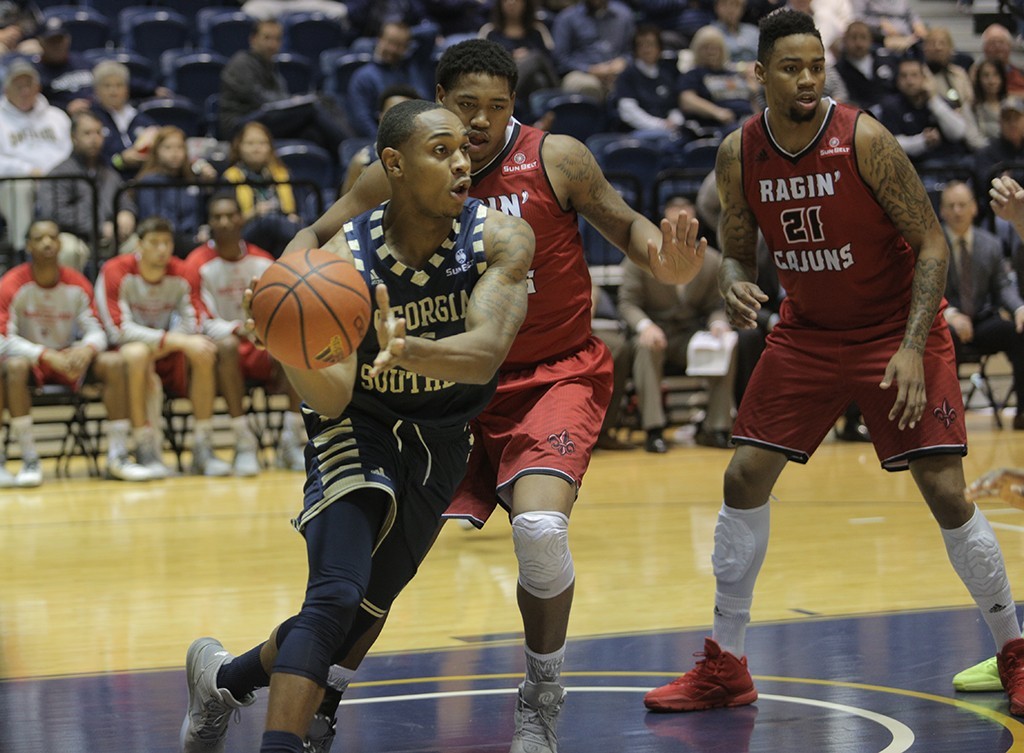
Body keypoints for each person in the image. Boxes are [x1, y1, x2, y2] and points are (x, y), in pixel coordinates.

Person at [280, 38, 706, 753]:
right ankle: (315, 694)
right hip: (437, 387)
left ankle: (541, 697)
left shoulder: (556, 158)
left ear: (517, 108)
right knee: (382, 568)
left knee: (540, 532)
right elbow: (313, 239)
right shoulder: (403, 166)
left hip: (549, 375)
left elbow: (626, 224)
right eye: (465, 106)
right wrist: (282, 291)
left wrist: (666, 259)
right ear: (438, 100)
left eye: (496, 108)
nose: (479, 122)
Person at [641, 9, 1024, 718]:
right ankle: (726, 662)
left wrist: (914, 345)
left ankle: (1015, 650)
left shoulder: (865, 139)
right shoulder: (739, 152)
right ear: (759, 74)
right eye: (792, 67)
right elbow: (738, 243)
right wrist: (733, 284)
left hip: (894, 331)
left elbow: (933, 245)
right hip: (810, 334)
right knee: (743, 473)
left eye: (816, 65)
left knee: (943, 486)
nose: (809, 78)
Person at [179, 99, 536, 753]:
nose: (462, 161)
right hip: (356, 426)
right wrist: (295, 348)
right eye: (442, 150)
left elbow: (487, 349)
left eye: (465, 149)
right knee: (336, 593)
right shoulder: (346, 256)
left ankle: (224, 681)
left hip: (443, 439)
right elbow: (335, 394)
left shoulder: (502, 237)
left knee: (364, 610)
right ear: (394, 165)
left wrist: (412, 350)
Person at [0, 219, 152, 485]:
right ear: (28, 246)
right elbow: (3, 338)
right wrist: (45, 355)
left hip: (70, 361)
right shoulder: (12, 283)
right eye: (39, 238)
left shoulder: (77, 282)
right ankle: (29, 459)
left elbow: (97, 329)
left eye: (52, 237)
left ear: (60, 244)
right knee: (12, 367)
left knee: (113, 362)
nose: (47, 242)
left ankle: (118, 456)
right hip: (31, 362)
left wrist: (87, 349)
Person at [95, 216, 230, 479]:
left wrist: (171, 341)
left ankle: (203, 447)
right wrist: (174, 340)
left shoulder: (183, 272)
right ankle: (144, 447)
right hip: (125, 351)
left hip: (166, 349)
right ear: (138, 245)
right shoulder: (115, 270)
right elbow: (117, 329)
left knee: (204, 350)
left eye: (166, 242)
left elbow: (195, 319)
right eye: (154, 242)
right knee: (137, 353)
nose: (161, 249)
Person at [183, 192, 306, 475]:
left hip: (261, 344)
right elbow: (198, 316)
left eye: (230, 215)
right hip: (222, 350)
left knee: (293, 340)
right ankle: (243, 441)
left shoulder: (263, 261)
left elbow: (280, 309)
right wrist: (241, 329)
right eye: (217, 217)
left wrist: (261, 329)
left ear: (242, 219)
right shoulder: (196, 263)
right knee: (225, 346)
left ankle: (292, 439)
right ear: (209, 223)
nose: (224, 222)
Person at [618, 195, 737, 452]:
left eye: (687, 223)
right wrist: (645, 326)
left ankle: (716, 427)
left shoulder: (711, 260)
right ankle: (654, 428)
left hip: (689, 336)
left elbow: (716, 307)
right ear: (663, 225)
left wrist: (718, 324)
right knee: (645, 347)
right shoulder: (642, 255)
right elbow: (627, 303)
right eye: (674, 223)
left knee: (726, 344)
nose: (681, 230)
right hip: (655, 334)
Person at [937, 180, 1024, 429]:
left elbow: (1003, 287)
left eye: (962, 205)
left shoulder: (991, 244)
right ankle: (947, 418)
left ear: (974, 208)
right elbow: (921, 289)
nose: (957, 211)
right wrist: (950, 314)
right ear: (941, 211)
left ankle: (1023, 412)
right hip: (946, 322)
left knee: (1018, 332)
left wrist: (1019, 309)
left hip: (982, 320)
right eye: (951, 206)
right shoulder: (931, 242)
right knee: (943, 337)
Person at [218, 17, 347, 155]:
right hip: (239, 125)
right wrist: (295, 102)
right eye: (267, 38)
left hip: (265, 117)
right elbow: (262, 100)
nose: (272, 44)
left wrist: (293, 101)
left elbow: (280, 98)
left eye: (277, 39)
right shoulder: (241, 63)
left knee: (314, 129)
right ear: (253, 39)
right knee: (310, 107)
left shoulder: (270, 65)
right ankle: (352, 148)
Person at [36, 111, 136, 270]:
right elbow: (54, 212)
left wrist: (127, 213)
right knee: (69, 250)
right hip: (73, 236)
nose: (94, 139)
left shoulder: (109, 173)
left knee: (138, 246)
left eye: (98, 133)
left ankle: (124, 294)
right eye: (87, 133)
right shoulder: (59, 173)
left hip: (110, 236)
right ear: (73, 137)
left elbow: (123, 200)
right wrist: (100, 226)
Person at [0, 57, 71, 252]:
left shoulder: (57, 116)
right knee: (19, 187)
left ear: (38, 87)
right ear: (6, 91)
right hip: (17, 182)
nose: (24, 91)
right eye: (18, 86)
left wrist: (54, 173)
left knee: (75, 180)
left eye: (28, 85)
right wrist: (29, 171)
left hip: (59, 178)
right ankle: (23, 249)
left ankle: (69, 244)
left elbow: (69, 152)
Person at [221, 121, 302, 258]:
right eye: (250, 144)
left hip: (282, 233)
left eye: (262, 143)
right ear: (239, 147)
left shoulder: (283, 174)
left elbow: (301, 211)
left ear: (270, 147)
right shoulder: (230, 178)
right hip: (246, 234)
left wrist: (295, 218)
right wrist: (254, 213)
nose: (256, 148)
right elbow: (226, 220)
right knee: (269, 221)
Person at [133, 126, 217, 258]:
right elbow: (153, 220)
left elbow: (203, 214)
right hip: (163, 243)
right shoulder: (148, 182)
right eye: (168, 148)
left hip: (195, 240)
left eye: (179, 147)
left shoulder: (193, 180)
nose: (174, 153)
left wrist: (209, 185)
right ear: (157, 151)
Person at [346, 20, 431, 139]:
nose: (393, 50)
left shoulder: (411, 66)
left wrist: (407, 33)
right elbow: (362, 120)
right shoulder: (363, 77)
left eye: (400, 45)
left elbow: (432, 31)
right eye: (390, 42)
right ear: (379, 39)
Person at [479, 0, 560, 109]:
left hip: (537, 84)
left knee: (537, 67)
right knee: (536, 67)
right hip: (500, 78)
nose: (511, 3)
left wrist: (528, 57)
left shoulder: (538, 30)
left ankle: (505, 96)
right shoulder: (489, 31)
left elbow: (550, 63)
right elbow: (481, 63)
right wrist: (511, 57)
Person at [340, 85, 418, 196]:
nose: (397, 120)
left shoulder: (427, 158)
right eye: (391, 114)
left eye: (404, 114)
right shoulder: (362, 161)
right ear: (380, 117)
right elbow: (347, 211)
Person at [551, 0, 635, 100]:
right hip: (581, 73)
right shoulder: (567, 18)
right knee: (588, 87)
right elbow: (560, 59)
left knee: (635, 83)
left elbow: (632, 51)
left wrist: (623, 61)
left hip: (616, 72)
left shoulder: (624, 14)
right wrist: (590, 69)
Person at [89, 60, 159, 179]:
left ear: (127, 89)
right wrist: (120, 161)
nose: (113, 92)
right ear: (97, 91)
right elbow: (88, 158)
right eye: (107, 86)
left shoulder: (143, 120)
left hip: (143, 181)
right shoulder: (91, 119)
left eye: (119, 85)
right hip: (104, 182)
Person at [610, 25, 685, 136]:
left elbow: (675, 107)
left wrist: (675, 121)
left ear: (659, 48)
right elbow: (628, 112)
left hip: (669, 130)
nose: (647, 49)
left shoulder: (667, 73)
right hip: (638, 132)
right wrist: (660, 125)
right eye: (641, 45)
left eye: (650, 44)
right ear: (635, 50)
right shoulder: (627, 75)